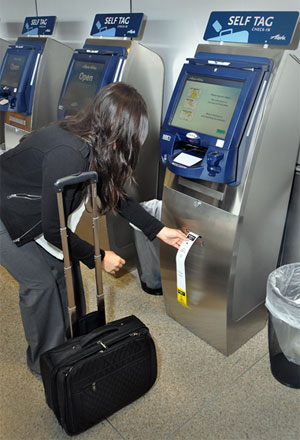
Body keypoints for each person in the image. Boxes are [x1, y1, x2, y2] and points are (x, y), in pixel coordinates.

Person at [0, 82, 187, 375]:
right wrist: (100, 257)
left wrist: (159, 230)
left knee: (62, 270)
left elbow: (115, 196)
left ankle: (65, 346)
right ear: (117, 129)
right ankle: (45, 364)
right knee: (40, 284)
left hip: (23, 205)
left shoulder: (92, 140)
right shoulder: (68, 152)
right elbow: (53, 231)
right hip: (5, 211)